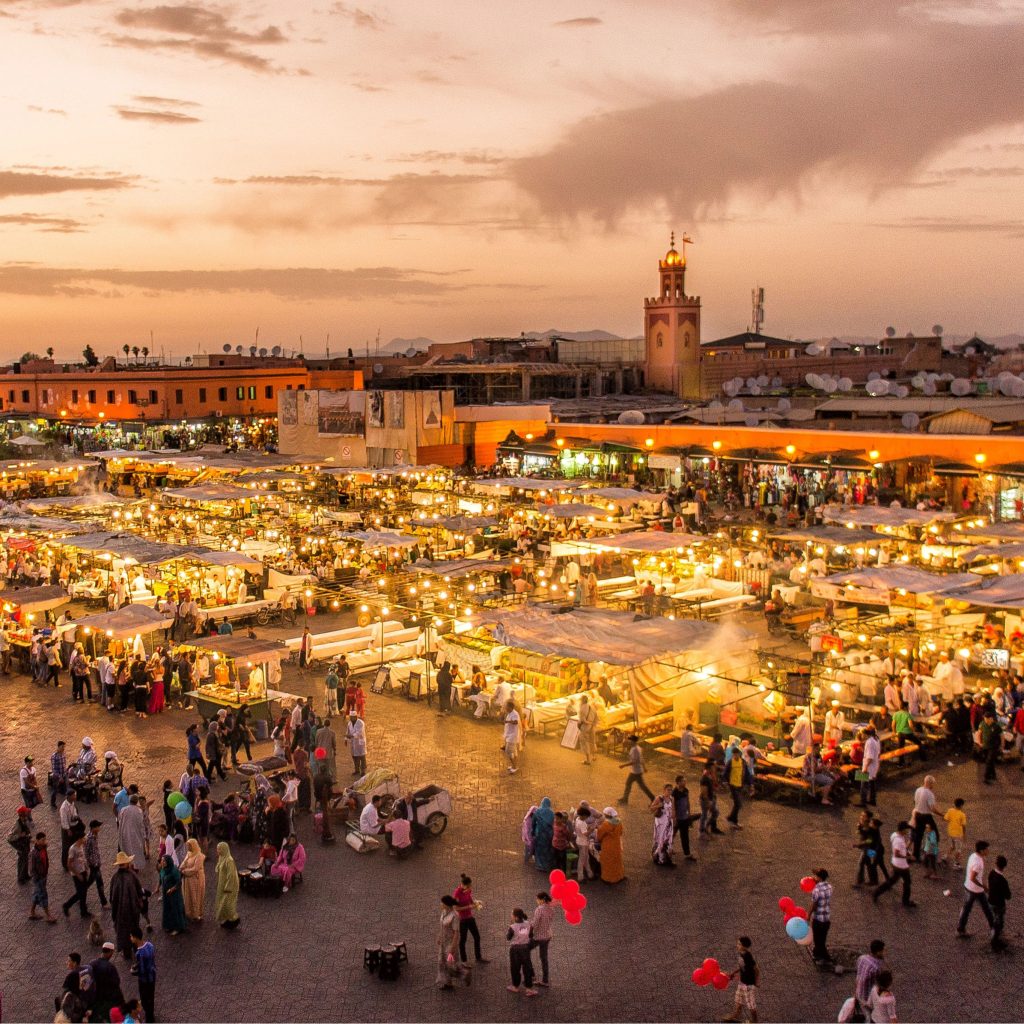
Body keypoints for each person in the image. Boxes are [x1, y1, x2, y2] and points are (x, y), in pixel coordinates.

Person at [956, 839, 995, 938]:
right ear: (982, 850)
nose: (988, 851)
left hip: (968, 887)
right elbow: (973, 877)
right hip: (976, 890)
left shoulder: (973, 856)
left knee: (967, 909)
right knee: (986, 909)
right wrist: (984, 886)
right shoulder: (979, 863)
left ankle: (960, 929)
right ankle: (994, 929)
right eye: (986, 849)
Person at [109, 852, 144, 962]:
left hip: (120, 912)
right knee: (134, 930)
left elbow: (112, 897)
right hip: (132, 911)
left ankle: (127, 952)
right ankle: (137, 949)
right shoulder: (132, 875)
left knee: (123, 932)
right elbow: (139, 890)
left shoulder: (115, 878)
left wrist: (114, 911)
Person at [872, 821, 916, 907]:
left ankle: (876, 893)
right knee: (907, 882)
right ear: (903, 830)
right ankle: (905, 901)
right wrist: (909, 858)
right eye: (906, 829)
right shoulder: (898, 840)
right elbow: (896, 853)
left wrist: (906, 852)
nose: (907, 831)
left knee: (892, 881)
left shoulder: (895, 835)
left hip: (895, 863)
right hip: (901, 866)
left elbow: (900, 850)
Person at [453, 874, 489, 964]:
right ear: (462, 884)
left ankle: (478, 957)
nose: (469, 887)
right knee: (463, 940)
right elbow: (456, 908)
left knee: (477, 937)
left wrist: (476, 903)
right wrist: (469, 907)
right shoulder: (457, 893)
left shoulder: (468, 890)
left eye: (470, 886)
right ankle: (464, 961)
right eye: (468, 886)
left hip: (470, 918)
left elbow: (470, 898)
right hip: (463, 920)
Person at [724, 936, 759, 1024]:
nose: (737, 945)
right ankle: (735, 1016)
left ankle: (755, 1021)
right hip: (742, 982)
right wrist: (733, 973)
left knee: (751, 1004)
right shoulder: (740, 953)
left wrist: (756, 982)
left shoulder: (747, 956)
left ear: (745, 946)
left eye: (739, 944)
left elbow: (756, 969)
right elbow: (742, 966)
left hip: (749, 984)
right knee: (738, 1000)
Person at [88, 943, 124, 1023]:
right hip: (109, 999)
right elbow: (116, 982)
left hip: (97, 998)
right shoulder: (110, 967)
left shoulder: (92, 964)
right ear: (110, 952)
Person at [505, 907, 537, 997]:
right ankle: (529, 989)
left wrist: (510, 927)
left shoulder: (512, 927)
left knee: (515, 968)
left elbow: (508, 938)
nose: (511, 915)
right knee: (527, 968)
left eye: (512, 914)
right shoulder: (528, 923)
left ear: (515, 917)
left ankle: (515, 986)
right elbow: (531, 935)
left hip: (515, 950)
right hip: (525, 949)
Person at [436, 895, 465, 991]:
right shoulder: (444, 912)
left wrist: (453, 947)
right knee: (441, 962)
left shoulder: (455, 916)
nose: (440, 904)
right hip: (443, 943)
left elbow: (457, 932)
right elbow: (442, 926)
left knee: (450, 964)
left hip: (450, 944)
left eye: (442, 902)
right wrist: (439, 936)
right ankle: (448, 983)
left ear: (446, 904)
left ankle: (464, 974)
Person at [28, 831, 57, 923]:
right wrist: (36, 878)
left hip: (43, 875)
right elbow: (32, 868)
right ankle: (48, 915)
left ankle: (32, 912)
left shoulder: (43, 848)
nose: (44, 841)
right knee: (43, 895)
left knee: (37, 893)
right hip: (39, 878)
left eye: (45, 839)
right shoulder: (34, 853)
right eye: (42, 840)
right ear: (37, 841)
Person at [62, 831, 92, 920]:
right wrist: (77, 874)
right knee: (80, 893)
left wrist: (86, 868)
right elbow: (69, 864)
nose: (86, 839)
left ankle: (84, 911)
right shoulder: (73, 849)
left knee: (84, 892)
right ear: (80, 838)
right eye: (84, 837)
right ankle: (67, 905)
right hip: (77, 874)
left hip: (83, 871)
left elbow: (82, 858)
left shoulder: (81, 846)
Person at [854, 940, 886, 1020]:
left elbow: (858, 973)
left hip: (858, 992)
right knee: (868, 1016)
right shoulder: (876, 968)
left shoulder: (862, 958)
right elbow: (879, 983)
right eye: (883, 950)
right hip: (867, 997)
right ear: (878, 952)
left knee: (861, 1012)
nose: (884, 952)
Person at [129, 930, 157, 1024]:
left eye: (132, 936)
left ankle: (149, 1018)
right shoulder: (150, 945)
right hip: (152, 975)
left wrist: (133, 971)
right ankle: (151, 1015)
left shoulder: (139, 953)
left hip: (144, 980)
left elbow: (142, 971)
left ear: (136, 937)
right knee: (151, 996)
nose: (131, 938)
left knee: (145, 1000)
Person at [619, 735, 655, 804]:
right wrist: (644, 767)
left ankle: (653, 798)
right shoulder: (637, 748)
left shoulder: (635, 750)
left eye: (630, 740)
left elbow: (633, 762)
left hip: (636, 772)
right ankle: (625, 799)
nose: (629, 741)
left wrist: (623, 765)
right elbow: (641, 759)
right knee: (630, 784)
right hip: (636, 771)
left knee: (641, 786)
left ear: (633, 741)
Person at [809, 868, 833, 964]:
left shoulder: (816, 890)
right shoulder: (830, 887)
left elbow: (814, 905)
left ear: (819, 877)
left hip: (818, 919)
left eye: (816, 876)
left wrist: (808, 914)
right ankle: (817, 953)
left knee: (818, 940)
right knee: (822, 937)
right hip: (826, 918)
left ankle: (825, 958)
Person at [214, 841, 240, 929]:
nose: (217, 850)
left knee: (228, 904)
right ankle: (226, 919)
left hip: (229, 887)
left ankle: (234, 919)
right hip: (222, 884)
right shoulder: (222, 857)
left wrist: (228, 887)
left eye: (219, 849)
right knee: (222, 902)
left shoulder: (229, 860)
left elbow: (231, 875)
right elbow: (218, 868)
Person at [159, 854, 187, 935]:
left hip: (174, 895)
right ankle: (169, 925)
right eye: (162, 860)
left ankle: (178, 928)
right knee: (168, 908)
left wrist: (172, 889)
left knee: (175, 909)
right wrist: (157, 887)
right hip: (166, 893)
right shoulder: (163, 869)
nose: (162, 862)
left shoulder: (174, 870)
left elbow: (179, 882)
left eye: (164, 861)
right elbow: (160, 878)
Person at [117, 796, 148, 868]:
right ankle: (135, 866)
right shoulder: (139, 811)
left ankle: (127, 864)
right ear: (136, 801)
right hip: (136, 834)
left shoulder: (123, 809)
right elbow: (141, 823)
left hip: (125, 833)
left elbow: (119, 819)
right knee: (136, 851)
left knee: (126, 849)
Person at [670, 776, 696, 861]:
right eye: (683, 781)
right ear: (678, 782)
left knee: (685, 836)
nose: (685, 783)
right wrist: (674, 818)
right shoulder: (674, 793)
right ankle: (667, 849)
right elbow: (672, 807)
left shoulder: (686, 790)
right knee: (671, 835)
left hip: (684, 817)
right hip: (677, 818)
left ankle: (687, 854)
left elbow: (687, 802)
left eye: (685, 781)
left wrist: (689, 812)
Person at [596, 806, 625, 883]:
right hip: (617, 844)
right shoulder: (619, 821)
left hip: (607, 845)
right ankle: (619, 876)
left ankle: (608, 878)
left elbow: (599, 835)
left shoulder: (606, 824)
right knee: (617, 861)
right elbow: (621, 832)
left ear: (607, 815)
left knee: (607, 862)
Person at [179, 838, 205, 921]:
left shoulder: (199, 856)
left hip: (195, 880)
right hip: (188, 880)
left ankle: (196, 914)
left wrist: (185, 871)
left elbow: (195, 869)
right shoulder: (189, 853)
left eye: (189, 846)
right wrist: (181, 868)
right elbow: (184, 862)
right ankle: (189, 912)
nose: (188, 847)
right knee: (188, 896)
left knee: (195, 896)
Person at [530, 893, 553, 987]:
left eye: (537, 899)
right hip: (547, 936)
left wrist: (529, 931)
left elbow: (535, 924)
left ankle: (532, 976)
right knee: (544, 959)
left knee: (525, 951)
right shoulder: (551, 908)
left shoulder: (539, 909)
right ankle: (545, 981)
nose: (536, 901)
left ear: (542, 900)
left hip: (538, 937)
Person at [84, 819, 108, 909]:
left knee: (90, 882)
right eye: (98, 827)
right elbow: (86, 853)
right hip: (94, 865)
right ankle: (104, 902)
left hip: (96, 864)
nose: (99, 828)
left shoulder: (95, 836)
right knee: (100, 883)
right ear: (93, 828)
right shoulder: (89, 839)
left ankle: (80, 895)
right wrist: (92, 863)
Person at [989, 854, 1011, 952]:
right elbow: (1008, 896)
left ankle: (996, 939)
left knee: (995, 920)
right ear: (1004, 866)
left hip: (991, 901)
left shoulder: (991, 873)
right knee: (999, 923)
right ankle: (995, 942)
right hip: (999, 904)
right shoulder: (1003, 881)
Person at [651, 784, 675, 867]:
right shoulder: (659, 798)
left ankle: (667, 859)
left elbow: (673, 810)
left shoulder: (672, 799)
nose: (670, 791)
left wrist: (673, 820)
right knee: (660, 840)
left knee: (669, 840)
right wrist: (658, 805)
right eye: (668, 790)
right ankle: (659, 859)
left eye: (671, 790)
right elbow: (651, 808)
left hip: (669, 822)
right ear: (664, 790)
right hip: (661, 823)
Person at [724, 736, 746, 828]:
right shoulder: (730, 762)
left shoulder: (742, 762)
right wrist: (726, 782)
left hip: (740, 784)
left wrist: (750, 783)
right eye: (734, 754)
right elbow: (725, 773)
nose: (735, 756)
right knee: (738, 804)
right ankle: (734, 821)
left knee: (738, 804)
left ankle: (731, 818)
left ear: (739, 754)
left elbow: (746, 773)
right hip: (733, 785)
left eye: (736, 754)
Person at [530, 798, 556, 872]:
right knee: (547, 849)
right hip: (549, 834)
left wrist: (532, 831)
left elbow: (533, 822)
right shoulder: (552, 813)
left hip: (540, 833)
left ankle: (540, 865)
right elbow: (553, 823)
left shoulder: (537, 811)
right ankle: (547, 865)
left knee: (539, 849)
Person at [59, 789, 81, 870]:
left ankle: (73, 861)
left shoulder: (72, 803)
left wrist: (75, 817)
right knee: (66, 847)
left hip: (74, 825)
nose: (75, 797)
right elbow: (63, 820)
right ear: (69, 796)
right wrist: (68, 830)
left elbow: (74, 811)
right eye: (74, 795)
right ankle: (65, 865)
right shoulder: (64, 807)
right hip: (67, 828)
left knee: (73, 845)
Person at [10, 805, 33, 884]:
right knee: (22, 861)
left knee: (25, 860)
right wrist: (20, 835)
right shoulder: (17, 825)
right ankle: (21, 878)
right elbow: (10, 837)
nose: (28, 812)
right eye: (26, 812)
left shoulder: (24, 821)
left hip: (25, 845)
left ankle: (25, 875)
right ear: (22, 814)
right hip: (21, 846)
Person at [860, 726, 881, 807]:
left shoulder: (869, 742)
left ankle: (863, 802)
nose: (862, 736)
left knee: (863, 784)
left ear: (866, 734)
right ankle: (872, 800)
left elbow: (869, 757)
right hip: (874, 765)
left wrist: (865, 768)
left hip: (868, 766)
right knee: (872, 783)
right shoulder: (876, 739)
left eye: (862, 734)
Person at [944, 798, 967, 868]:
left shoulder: (950, 810)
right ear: (961, 805)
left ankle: (946, 857)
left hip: (950, 832)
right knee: (958, 850)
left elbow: (946, 819)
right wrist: (964, 835)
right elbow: (963, 826)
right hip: (958, 834)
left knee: (952, 846)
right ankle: (956, 864)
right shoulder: (962, 815)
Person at [573, 806, 594, 882]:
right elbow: (586, 834)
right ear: (584, 815)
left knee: (585, 858)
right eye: (586, 816)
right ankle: (580, 877)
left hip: (579, 840)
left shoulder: (577, 819)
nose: (587, 818)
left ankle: (590, 874)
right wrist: (591, 830)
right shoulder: (582, 823)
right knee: (582, 860)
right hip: (583, 842)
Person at [502, 700, 521, 774]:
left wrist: (508, 722)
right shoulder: (509, 713)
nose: (505, 708)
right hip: (509, 734)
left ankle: (514, 766)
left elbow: (516, 722)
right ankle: (514, 766)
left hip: (512, 735)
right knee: (514, 751)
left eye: (506, 707)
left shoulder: (515, 714)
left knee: (508, 751)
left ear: (510, 707)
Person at [346, 712, 367, 777]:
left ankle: (363, 770)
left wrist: (351, 736)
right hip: (353, 743)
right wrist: (346, 739)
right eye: (350, 717)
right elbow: (347, 731)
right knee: (354, 757)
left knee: (362, 757)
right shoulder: (349, 723)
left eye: (351, 717)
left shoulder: (361, 723)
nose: (350, 718)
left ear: (355, 717)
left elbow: (359, 733)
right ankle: (357, 770)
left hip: (360, 743)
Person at [578, 695, 597, 765]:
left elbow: (582, 720)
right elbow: (596, 717)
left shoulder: (582, 709)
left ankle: (588, 760)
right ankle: (594, 756)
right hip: (592, 727)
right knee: (592, 741)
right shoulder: (592, 707)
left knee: (584, 742)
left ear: (582, 701)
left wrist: (587, 723)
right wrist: (593, 724)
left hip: (585, 727)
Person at [50, 740, 68, 808]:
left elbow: (64, 765)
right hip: (57, 777)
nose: (63, 748)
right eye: (62, 747)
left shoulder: (63, 755)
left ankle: (66, 803)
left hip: (64, 775)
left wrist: (66, 773)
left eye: (64, 747)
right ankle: (52, 802)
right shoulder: (54, 756)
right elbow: (54, 769)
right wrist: (60, 777)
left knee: (65, 789)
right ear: (58, 747)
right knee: (55, 790)